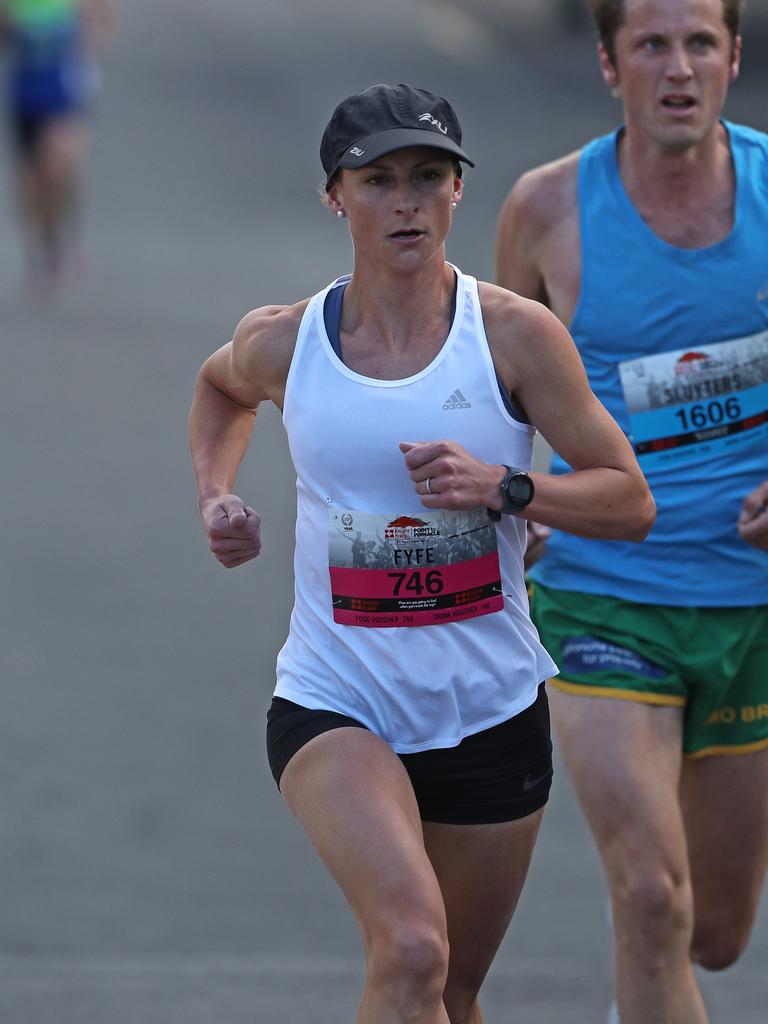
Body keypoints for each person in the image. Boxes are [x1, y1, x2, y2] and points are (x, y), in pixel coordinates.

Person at [189, 82, 654, 1024]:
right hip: (336, 695)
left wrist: (510, 488)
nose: (405, 200)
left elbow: (629, 500)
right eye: (379, 179)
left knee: (453, 991)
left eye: (428, 177)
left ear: (456, 193)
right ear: (337, 195)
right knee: (408, 950)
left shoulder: (516, 337)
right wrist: (217, 498)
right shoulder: (287, 343)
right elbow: (218, 390)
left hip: (488, 704)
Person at [496, 2, 768, 1022]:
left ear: (734, 58)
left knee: (716, 932)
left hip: (750, 604)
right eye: (652, 44)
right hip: (603, 597)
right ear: (610, 65)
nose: (679, 67)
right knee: (652, 895)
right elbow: (492, 391)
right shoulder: (547, 209)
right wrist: (518, 507)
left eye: (701, 43)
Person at [1, 0, 112, 290]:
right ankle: (42, 249)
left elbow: (102, 19)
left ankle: (67, 237)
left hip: (63, 79)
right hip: (25, 83)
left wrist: (88, 47)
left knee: (60, 161)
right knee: (31, 176)